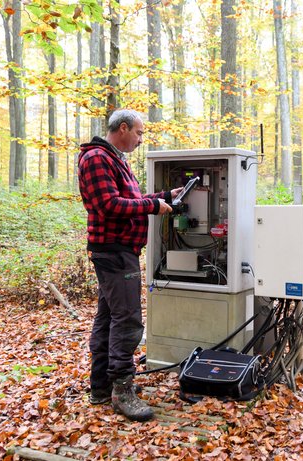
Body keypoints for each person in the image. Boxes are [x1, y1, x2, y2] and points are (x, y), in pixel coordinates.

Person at [78, 109, 179, 422]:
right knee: (129, 320)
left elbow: (128, 198)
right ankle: (122, 389)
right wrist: (152, 206)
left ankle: (100, 386)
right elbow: (109, 206)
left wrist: (164, 196)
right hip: (113, 251)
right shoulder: (97, 158)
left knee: (109, 317)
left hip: (121, 250)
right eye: (138, 132)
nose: (140, 138)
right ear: (122, 128)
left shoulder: (114, 159)